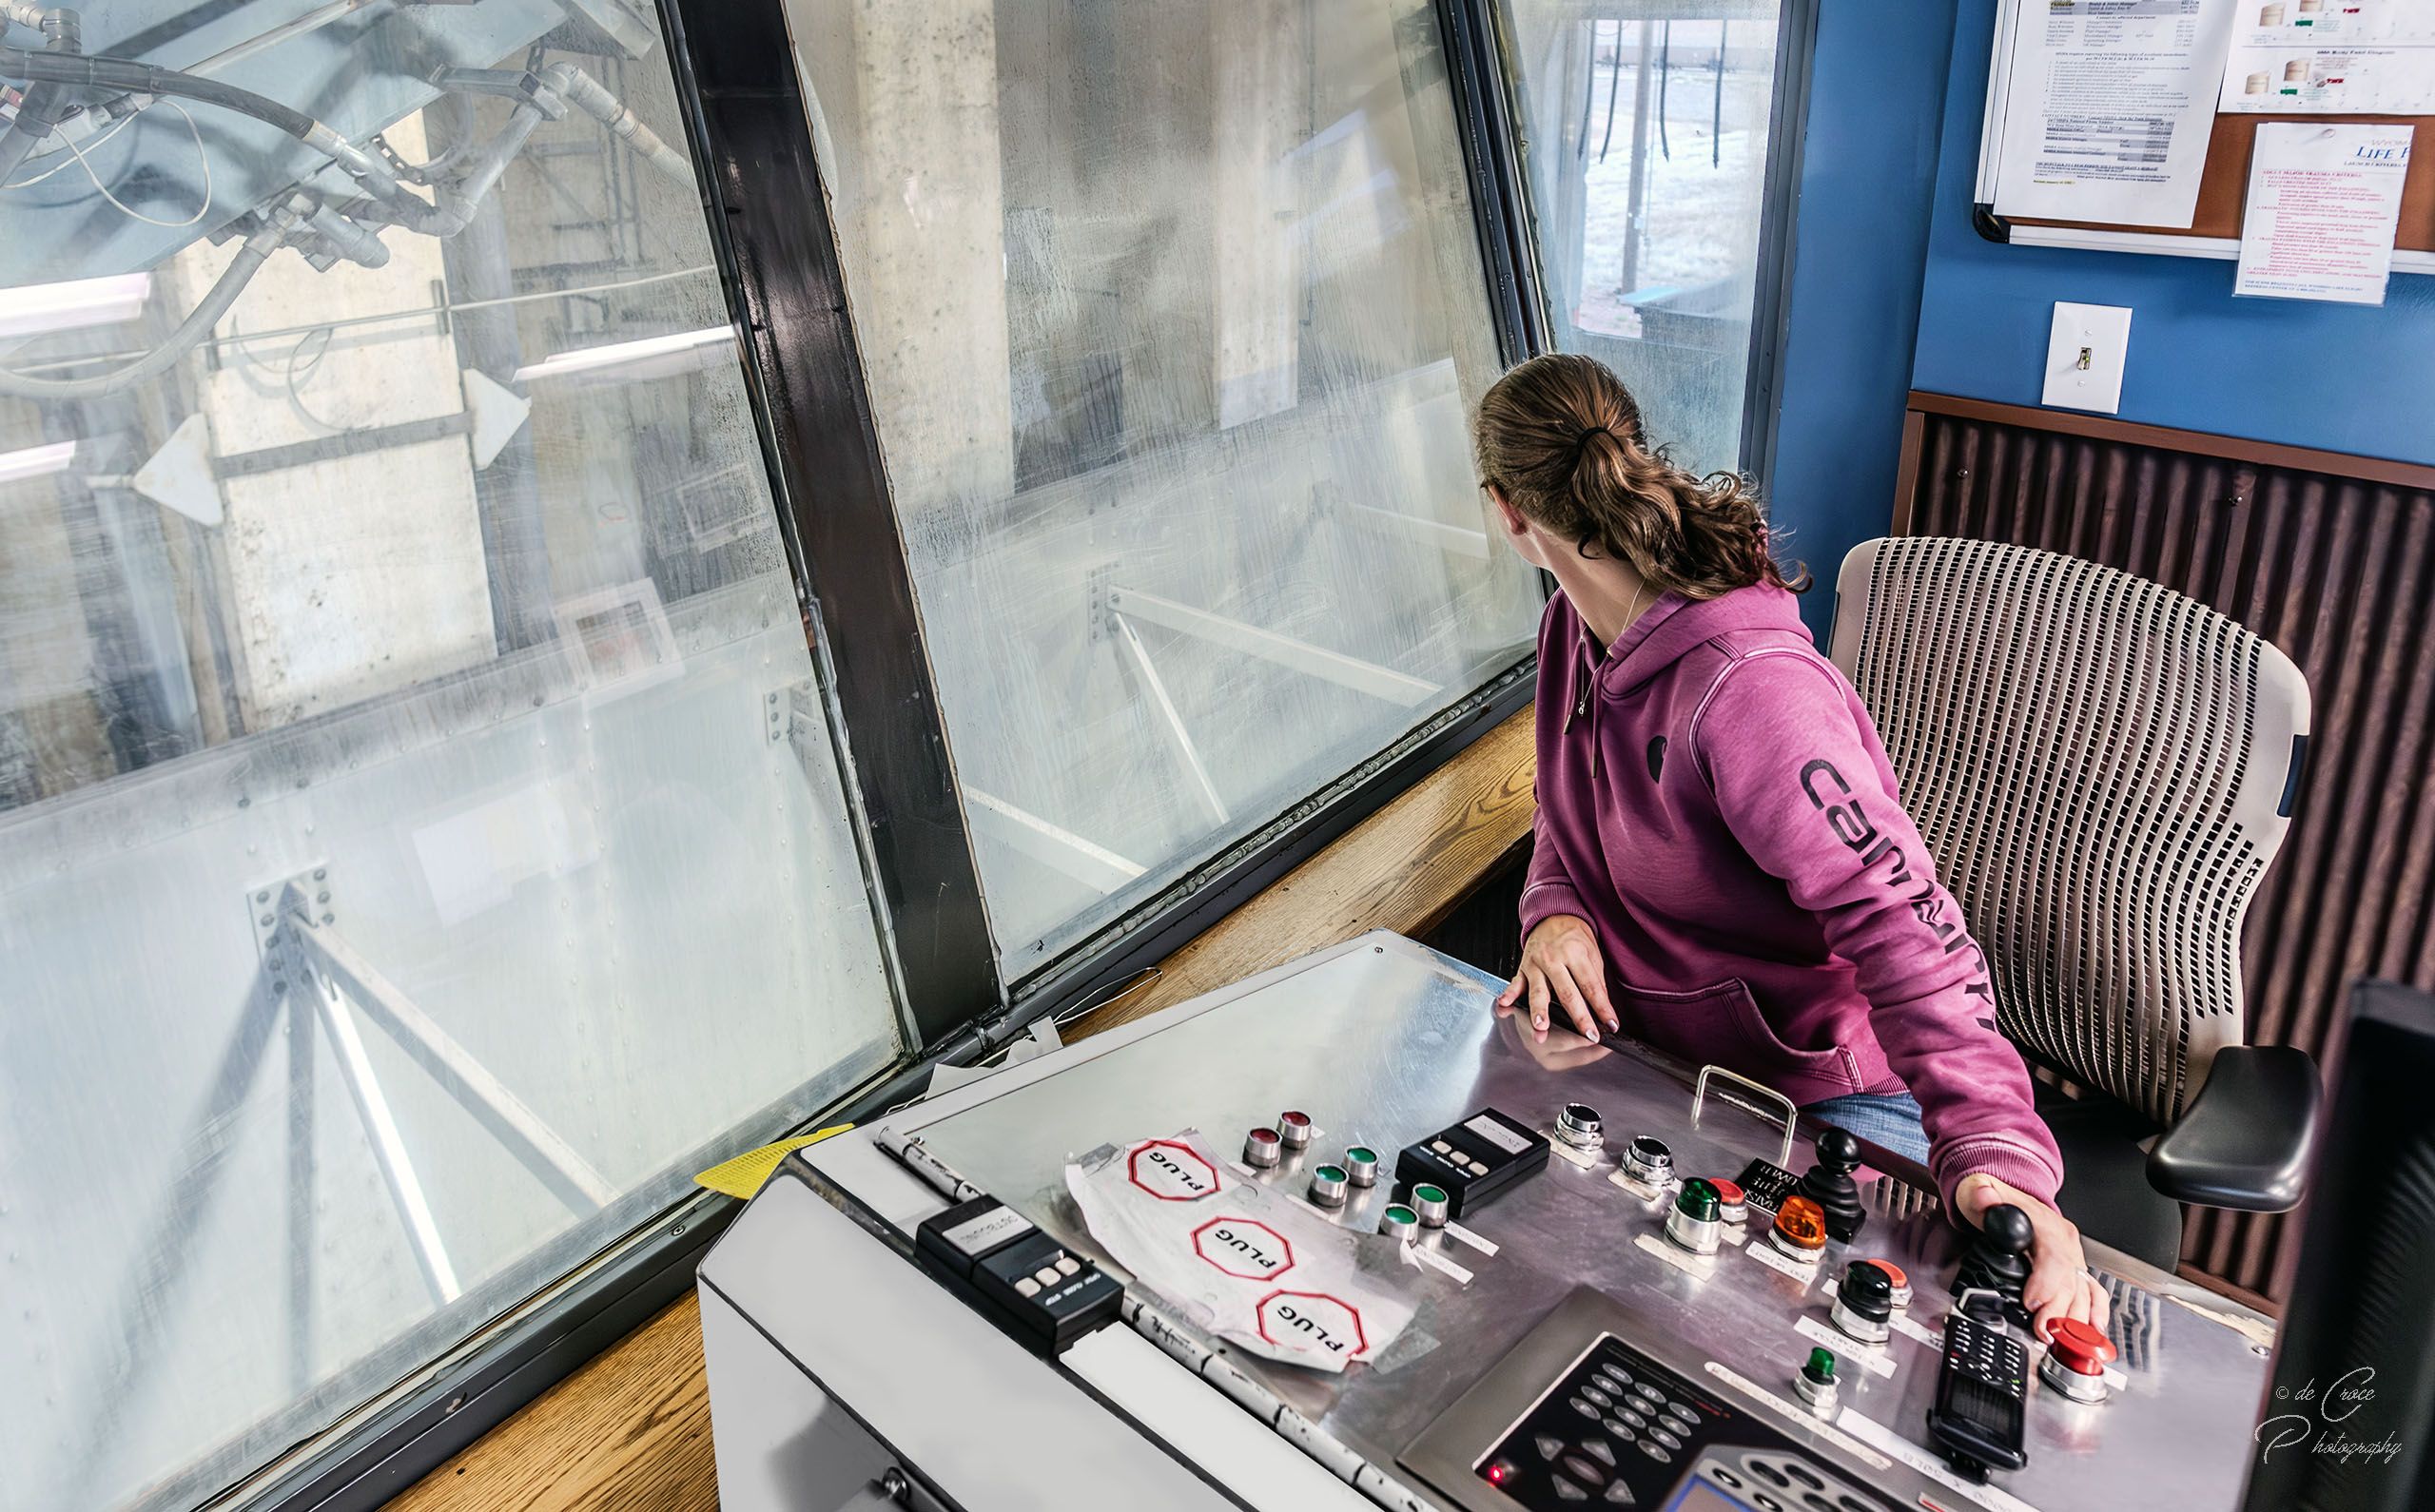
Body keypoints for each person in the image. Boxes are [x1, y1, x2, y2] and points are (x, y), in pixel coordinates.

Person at [1477, 353, 2104, 1335]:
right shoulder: (1573, 627)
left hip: (1817, 1099)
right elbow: (1568, 802)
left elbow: (1906, 922)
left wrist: (1994, 1146)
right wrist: (1552, 909)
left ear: (1506, 511)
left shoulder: (1751, 688)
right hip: (1653, 1066)